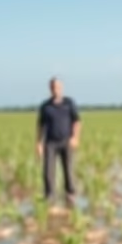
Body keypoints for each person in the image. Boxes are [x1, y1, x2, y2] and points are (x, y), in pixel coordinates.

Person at [36, 77, 81, 205]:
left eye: (57, 87)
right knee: (48, 170)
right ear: (50, 89)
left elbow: (77, 121)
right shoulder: (45, 106)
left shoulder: (69, 103)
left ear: (61, 88)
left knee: (68, 169)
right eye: (53, 87)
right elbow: (40, 125)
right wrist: (39, 143)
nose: (55, 89)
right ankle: (49, 195)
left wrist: (75, 138)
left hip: (66, 141)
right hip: (50, 142)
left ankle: (70, 194)